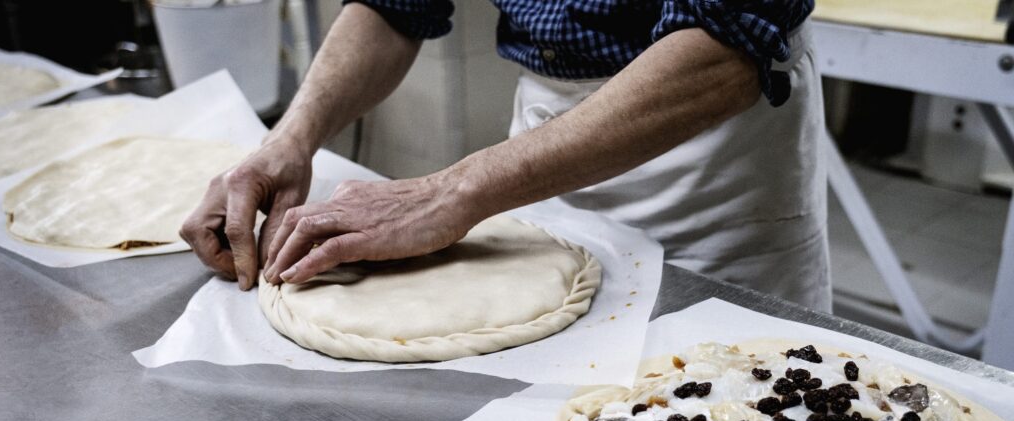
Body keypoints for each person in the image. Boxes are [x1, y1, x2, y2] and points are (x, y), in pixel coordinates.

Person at [180, 0, 829, 311]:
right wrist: (290, 139)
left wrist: (454, 191)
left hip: (712, 154)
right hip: (546, 134)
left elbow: (727, 49)